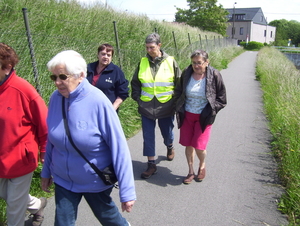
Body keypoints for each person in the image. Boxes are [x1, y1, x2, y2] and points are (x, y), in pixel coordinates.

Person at [41, 50, 136, 226]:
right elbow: (53, 140)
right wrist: (46, 171)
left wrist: (127, 191)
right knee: (62, 223)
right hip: (63, 179)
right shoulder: (55, 98)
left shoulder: (98, 102)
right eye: (53, 78)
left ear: (81, 75)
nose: (58, 83)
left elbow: (119, 147)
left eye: (62, 76)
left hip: (94, 180)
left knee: (109, 219)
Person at [0, 42, 48, 226]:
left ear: (7, 67)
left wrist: (44, 151)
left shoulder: (24, 90)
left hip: (20, 159)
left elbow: (44, 123)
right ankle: (37, 204)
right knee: (9, 194)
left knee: (14, 208)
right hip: (1, 157)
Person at [131, 33, 181, 179]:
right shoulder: (142, 62)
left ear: (159, 45)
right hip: (146, 105)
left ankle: (169, 146)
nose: (148, 50)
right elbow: (135, 82)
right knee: (148, 135)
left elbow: (179, 83)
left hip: (166, 105)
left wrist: (175, 102)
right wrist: (138, 98)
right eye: (146, 47)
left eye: (151, 47)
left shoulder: (171, 62)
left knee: (167, 132)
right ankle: (151, 164)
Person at [174, 49, 227, 184]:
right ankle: (190, 171)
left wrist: (212, 111)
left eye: (199, 63)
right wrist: (177, 105)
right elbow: (179, 90)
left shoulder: (214, 74)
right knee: (188, 144)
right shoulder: (187, 73)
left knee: (199, 146)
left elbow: (222, 98)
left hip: (204, 116)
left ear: (207, 62)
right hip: (187, 114)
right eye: (193, 63)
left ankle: (202, 165)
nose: (196, 66)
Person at [87, 43, 129, 111]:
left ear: (111, 57)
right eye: (103, 54)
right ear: (98, 54)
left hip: (106, 111)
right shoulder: (88, 68)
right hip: (88, 108)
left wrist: (112, 109)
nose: (106, 57)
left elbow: (123, 93)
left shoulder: (116, 72)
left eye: (109, 55)